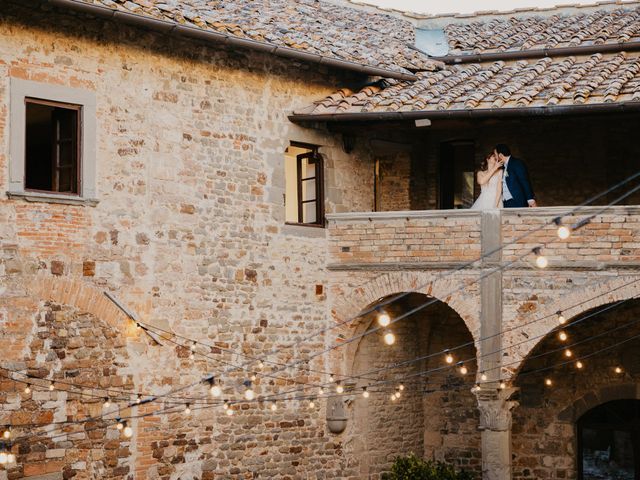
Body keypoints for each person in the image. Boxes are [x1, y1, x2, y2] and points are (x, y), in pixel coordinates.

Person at [494, 144, 537, 208]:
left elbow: (524, 181)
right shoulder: (503, 167)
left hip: (517, 202)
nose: (495, 157)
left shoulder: (517, 163)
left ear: (500, 155)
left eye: (495, 155)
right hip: (505, 202)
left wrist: (530, 199)